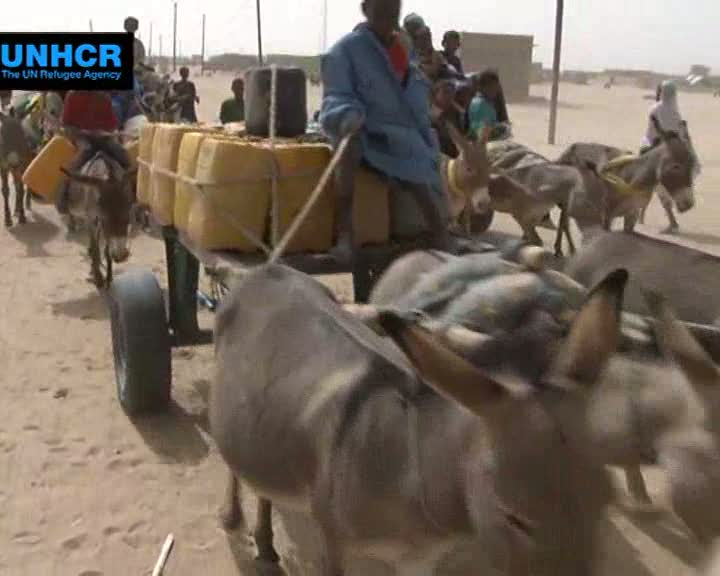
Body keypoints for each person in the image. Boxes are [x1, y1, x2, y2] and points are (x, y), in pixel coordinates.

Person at [320, 0, 449, 263]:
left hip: (399, 134)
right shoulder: (345, 50)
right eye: (381, 10)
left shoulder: (402, 50)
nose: (388, 17)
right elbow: (336, 95)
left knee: (423, 153)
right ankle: (345, 233)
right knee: (349, 148)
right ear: (366, 10)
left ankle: (440, 231)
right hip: (363, 130)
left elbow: (412, 92)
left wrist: (424, 121)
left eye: (393, 11)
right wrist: (348, 115)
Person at [55, 91, 131, 215]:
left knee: (123, 156)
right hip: (82, 138)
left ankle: (132, 195)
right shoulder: (72, 96)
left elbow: (111, 125)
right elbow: (67, 125)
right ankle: (62, 199)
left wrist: (108, 132)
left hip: (104, 138)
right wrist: (82, 132)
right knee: (75, 164)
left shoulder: (104, 96)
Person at [468, 69, 512, 141]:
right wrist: (501, 128)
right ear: (480, 87)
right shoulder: (481, 105)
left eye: (496, 87)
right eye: (491, 87)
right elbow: (481, 131)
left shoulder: (481, 101)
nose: (495, 91)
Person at [431, 79, 464, 158]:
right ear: (436, 94)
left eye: (452, 92)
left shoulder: (455, 113)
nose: (449, 95)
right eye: (445, 92)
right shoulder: (430, 116)